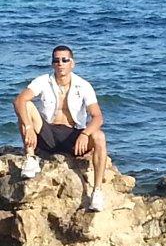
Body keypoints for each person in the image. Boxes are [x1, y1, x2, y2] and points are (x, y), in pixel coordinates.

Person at [12, 45, 107, 212]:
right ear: (52, 64)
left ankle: (97, 192)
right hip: (47, 133)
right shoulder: (43, 81)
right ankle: (30, 158)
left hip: (73, 136)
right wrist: (29, 127)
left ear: (72, 63)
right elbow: (19, 100)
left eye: (64, 60)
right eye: (56, 60)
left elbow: (98, 117)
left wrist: (85, 134)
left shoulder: (83, 86)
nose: (60, 63)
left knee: (99, 136)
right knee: (25, 105)